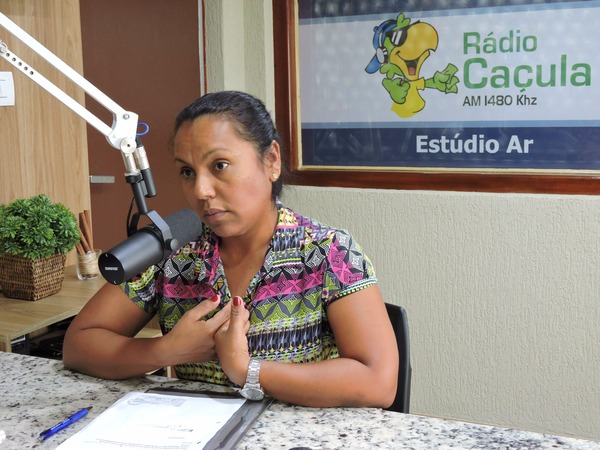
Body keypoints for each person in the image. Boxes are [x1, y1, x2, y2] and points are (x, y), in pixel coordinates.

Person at [63, 90, 399, 408]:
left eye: (219, 165)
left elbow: (378, 381)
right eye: (187, 172)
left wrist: (245, 369)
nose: (201, 190)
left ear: (271, 160)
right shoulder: (173, 252)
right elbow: (80, 345)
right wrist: (166, 350)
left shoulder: (328, 252)